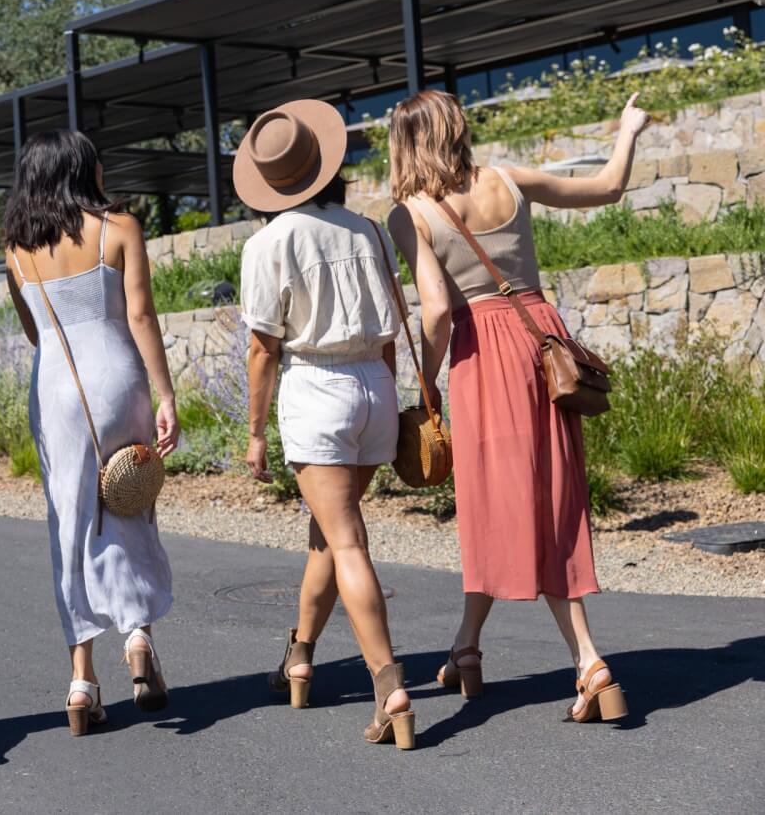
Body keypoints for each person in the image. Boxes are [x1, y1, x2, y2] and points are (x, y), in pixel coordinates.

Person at [386, 89, 648, 724]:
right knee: (546, 497)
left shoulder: (410, 213)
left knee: (503, 503)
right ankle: (466, 649)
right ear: (457, 129)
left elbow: (440, 310)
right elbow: (610, 187)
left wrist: (426, 383)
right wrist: (628, 129)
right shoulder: (509, 179)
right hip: (542, 342)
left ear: (405, 143)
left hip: (484, 355)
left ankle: (589, 660)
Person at [236, 99, 417, 750]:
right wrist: (391, 395)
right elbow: (396, 325)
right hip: (374, 383)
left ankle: (388, 684)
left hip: (315, 389)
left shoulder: (268, 243)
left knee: (346, 542)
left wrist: (256, 432)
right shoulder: (366, 230)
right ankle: (301, 655)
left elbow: (264, 349)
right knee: (327, 534)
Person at [1, 130, 178, 736]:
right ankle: (137, 636)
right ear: (82, 169)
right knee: (127, 500)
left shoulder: (16, 251)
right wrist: (166, 392)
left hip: (56, 391)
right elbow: (140, 315)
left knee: (70, 522)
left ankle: (81, 679)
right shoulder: (118, 228)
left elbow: (32, 333)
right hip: (118, 377)